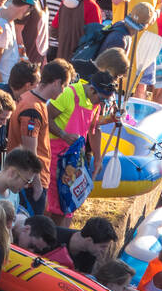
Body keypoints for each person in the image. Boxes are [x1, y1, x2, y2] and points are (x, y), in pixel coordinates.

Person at [5, 55, 69, 214]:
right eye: (64, 85)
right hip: (28, 183)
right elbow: (30, 152)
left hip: (26, 179)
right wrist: (38, 185)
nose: (64, 90)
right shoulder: (32, 109)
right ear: (56, 82)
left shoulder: (32, 99)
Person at [45, 67, 112, 217]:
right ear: (93, 90)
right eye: (101, 99)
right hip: (56, 156)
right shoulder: (69, 94)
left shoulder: (94, 102)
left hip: (75, 158)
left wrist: (97, 158)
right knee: (53, 203)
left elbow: (93, 129)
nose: (101, 104)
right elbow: (45, 117)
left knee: (69, 204)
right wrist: (63, 134)